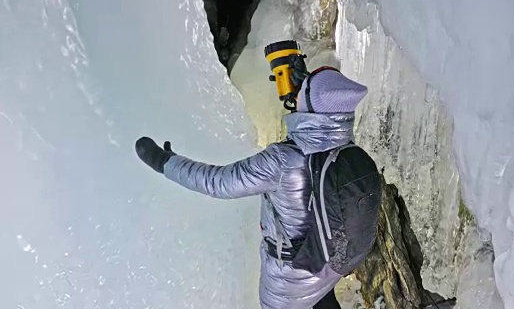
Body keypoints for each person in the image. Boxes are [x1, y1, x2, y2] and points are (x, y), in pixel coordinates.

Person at [135, 68, 369, 309]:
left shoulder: (282, 160)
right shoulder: (343, 145)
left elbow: (218, 182)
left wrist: (165, 162)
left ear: (311, 105)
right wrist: (311, 85)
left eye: (303, 91)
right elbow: (321, 102)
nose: (295, 94)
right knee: (322, 298)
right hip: (325, 264)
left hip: (289, 279)